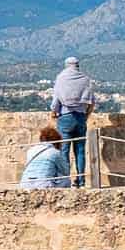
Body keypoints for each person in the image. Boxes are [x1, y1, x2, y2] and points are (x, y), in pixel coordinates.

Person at [50, 56, 97, 187]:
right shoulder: (85, 79)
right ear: (77, 65)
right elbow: (92, 102)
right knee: (80, 150)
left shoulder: (61, 78)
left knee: (64, 150)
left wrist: (54, 112)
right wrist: (86, 115)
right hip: (81, 117)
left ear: (66, 65)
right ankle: (81, 181)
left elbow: (56, 101)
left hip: (65, 117)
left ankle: (66, 180)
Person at [19, 121, 70, 189]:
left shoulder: (31, 150)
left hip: (25, 183)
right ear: (56, 141)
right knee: (66, 181)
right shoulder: (55, 152)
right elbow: (66, 171)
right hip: (42, 184)